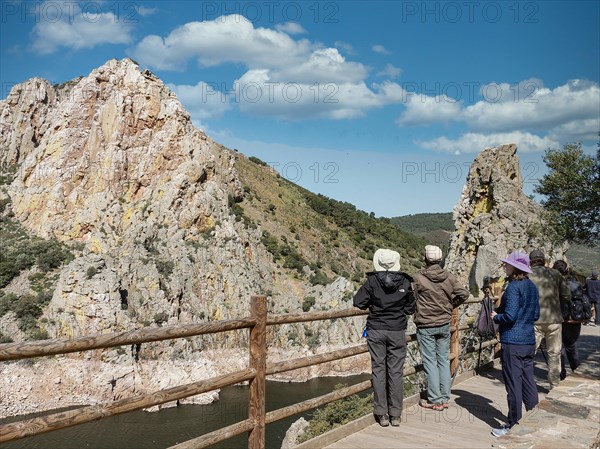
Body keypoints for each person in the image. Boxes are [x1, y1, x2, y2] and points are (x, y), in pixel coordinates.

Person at [353, 248, 415, 427]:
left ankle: (382, 414)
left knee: (378, 370)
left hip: (376, 330)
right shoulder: (404, 281)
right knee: (395, 372)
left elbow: (358, 302)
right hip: (396, 331)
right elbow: (410, 308)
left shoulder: (372, 281)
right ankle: (395, 414)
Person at [413, 245, 469, 411]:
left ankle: (435, 399)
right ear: (440, 260)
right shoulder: (449, 277)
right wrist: (451, 306)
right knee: (443, 360)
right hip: (444, 323)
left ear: (425, 259)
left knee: (430, 362)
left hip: (426, 324)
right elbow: (464, 294)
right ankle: (445, 397)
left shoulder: (418, 278)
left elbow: (411, 298)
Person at [490, 251, 540, 437]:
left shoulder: (513, 288)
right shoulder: (532, 287)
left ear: (514, 268)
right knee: (528, 382)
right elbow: (535, 315)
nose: (505, 266)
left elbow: (510, 316)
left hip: (513, 341)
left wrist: (497, 316)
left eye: (507, 264)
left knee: (513, 385)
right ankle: (535, 419)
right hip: (528, 341)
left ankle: (512, 424)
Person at [528, 249, 571, 389]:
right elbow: (566, 296)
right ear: (544, 260)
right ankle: (554, 384)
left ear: (531, 261)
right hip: (554, 319)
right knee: (554, 353)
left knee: (528, 353)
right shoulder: (556, 274)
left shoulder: (527, 274)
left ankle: (526, 383)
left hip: (533, 320)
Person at [552, 260, 582, 380]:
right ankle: (577, 371)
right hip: (574, 320)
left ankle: (561, 374)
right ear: (567, 270)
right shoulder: (576, 284)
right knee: (572, 347)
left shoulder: (553, 284)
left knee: (559, 348)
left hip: (558, 319)